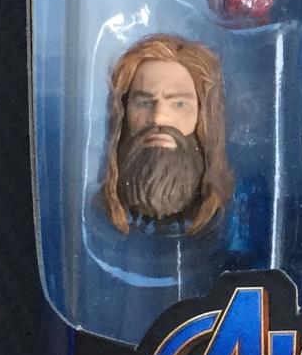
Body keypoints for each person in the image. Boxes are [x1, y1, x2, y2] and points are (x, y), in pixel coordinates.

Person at [100, 33, 234, 235]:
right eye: (144, 103)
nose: (159, 118)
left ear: (203, 115)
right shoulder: (95, 213)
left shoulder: (228, 220)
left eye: (179, 104)